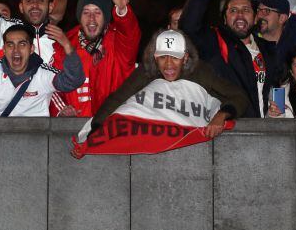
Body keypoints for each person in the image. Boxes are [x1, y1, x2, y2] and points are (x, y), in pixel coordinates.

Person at [71, 29, 249, 158]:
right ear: (155, 57)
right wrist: (95, 132)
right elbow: (118, 98)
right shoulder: (147, 71)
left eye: (175, 57)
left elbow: (239, 96)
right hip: (152, 148)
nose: (168, 65)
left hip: (192, 150)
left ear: (185, 58)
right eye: (163, 57)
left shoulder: (202, 71)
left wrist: (222, 115)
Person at [180, 0, 278, 118]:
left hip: (266, 130)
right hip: (227, 129)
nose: (239, 14)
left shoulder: (268, 50)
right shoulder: (215, 42)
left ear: (254, 18)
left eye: (246, 10)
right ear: (225, 19)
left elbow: (280, 85)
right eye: (233, 10)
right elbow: (188, 26)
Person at [0, 22, 85, 117]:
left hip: (36, 142)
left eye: (22, 44)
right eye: (10, 45)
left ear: (31, 49)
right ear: (4, 49)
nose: (16, 50)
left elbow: (73, 81)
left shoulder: (44, 74)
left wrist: (67, 45)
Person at [51, 0, 141, 117]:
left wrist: (122, 10)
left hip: (112, 127)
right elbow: (51, 86)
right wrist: (61, 110)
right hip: (73, 130)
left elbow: (130, 34)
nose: (91, 18)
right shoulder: (63, 45)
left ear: (106, 17)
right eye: (86, 12)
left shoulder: (118, 42)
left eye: (97, 12)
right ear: (79, 16)